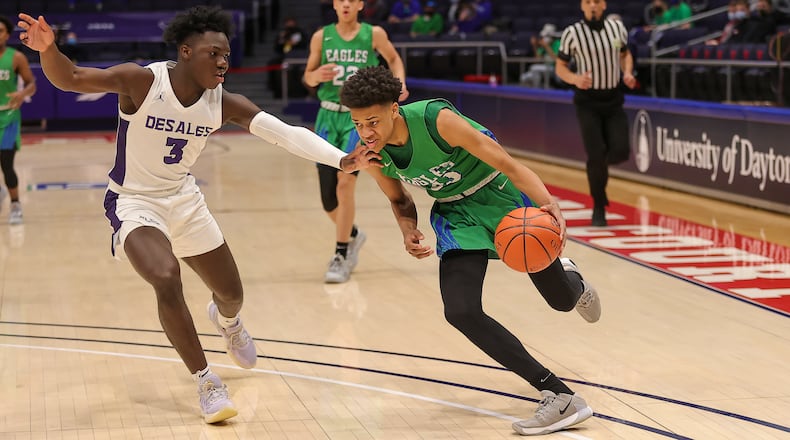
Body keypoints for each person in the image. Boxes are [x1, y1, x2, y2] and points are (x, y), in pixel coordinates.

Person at [17, 6, 378, 423]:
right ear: (186, 52)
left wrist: (342, 160)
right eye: (213, 53)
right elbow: (72, 78)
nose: (223, 61)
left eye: (226, 54)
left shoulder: (222, 102)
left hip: (185, 200)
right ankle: (207, 381)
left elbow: (284, 133)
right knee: (167, 277)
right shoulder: (143, 81)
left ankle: (227, 322)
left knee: (231, 294)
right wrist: (48, 49)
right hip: (134, 202)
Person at [339, 65, 601, 436]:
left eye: (373, 122)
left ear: (394, 109)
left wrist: (547, 202)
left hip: (501, 196)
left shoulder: (437, 120)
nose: (366, 133)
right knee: (460, 311)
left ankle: (572, 278)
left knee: (560, 300)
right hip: (456, 213)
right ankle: (557, 395)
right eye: (357, 124)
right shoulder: (373, 154)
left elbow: (506, 163)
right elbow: (399, 199)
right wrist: (408, 228)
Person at [303, 0, 408, 284]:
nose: (346, 4)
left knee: (345, 182)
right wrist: (316, 74)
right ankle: (352, 234)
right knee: (328, 201)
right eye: (341, 0)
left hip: (358, 120)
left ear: (360, 4)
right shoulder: (320, 36)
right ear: (335, 4)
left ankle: (340, 254)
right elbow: (308, 77)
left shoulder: (373, 34)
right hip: (326, 116)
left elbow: (395, 59)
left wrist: (400, 84)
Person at [555, 0, 637, 226]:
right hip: (587, 101)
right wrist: (575, 79)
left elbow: (624, 55)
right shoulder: (572, 33)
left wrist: (627, 72)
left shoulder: (616, 29)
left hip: (613, 99)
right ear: (582, 6)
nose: (593, 6)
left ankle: (599, 169)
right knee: (596, 155)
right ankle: (599, 206)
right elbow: (560, 67)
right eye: (588, 2)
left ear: (604, 5)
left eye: (597, 2)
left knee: (621, 151)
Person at [0, 15, 36, 225]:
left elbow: (31, 84)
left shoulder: (16, 58)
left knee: (6, 163)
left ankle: (15, 205)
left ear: (7, 34)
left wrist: (22, 94)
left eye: (1, 31)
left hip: (9, 116)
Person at [520, 23, 561, 89]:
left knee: (534, 68)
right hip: (544, 68)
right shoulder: (543, 45)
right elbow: (537, 59)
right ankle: (535, 91)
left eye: (547, 37)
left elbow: (557, 59)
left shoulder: (558, 43)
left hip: (554, 69)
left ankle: (536, 90)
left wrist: (547, 47)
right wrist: (535, 46)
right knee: (523, 77)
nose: (544, 38)